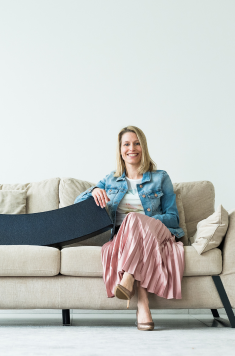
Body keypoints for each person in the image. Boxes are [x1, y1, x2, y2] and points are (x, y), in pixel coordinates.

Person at [74, 125, 185, 331]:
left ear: (143, 147)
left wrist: (143, 221)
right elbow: (78, 202)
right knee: (132, 223)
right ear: (120, 149)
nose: (131, 148)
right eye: (126, 144)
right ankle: (142, 304)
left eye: (136, 143)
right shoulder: (110, 180)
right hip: (125, 240)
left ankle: (128, 277)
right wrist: (95, 190)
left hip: (157, 233)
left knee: (134, 218)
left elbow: (173, 219)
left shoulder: (161, 178)